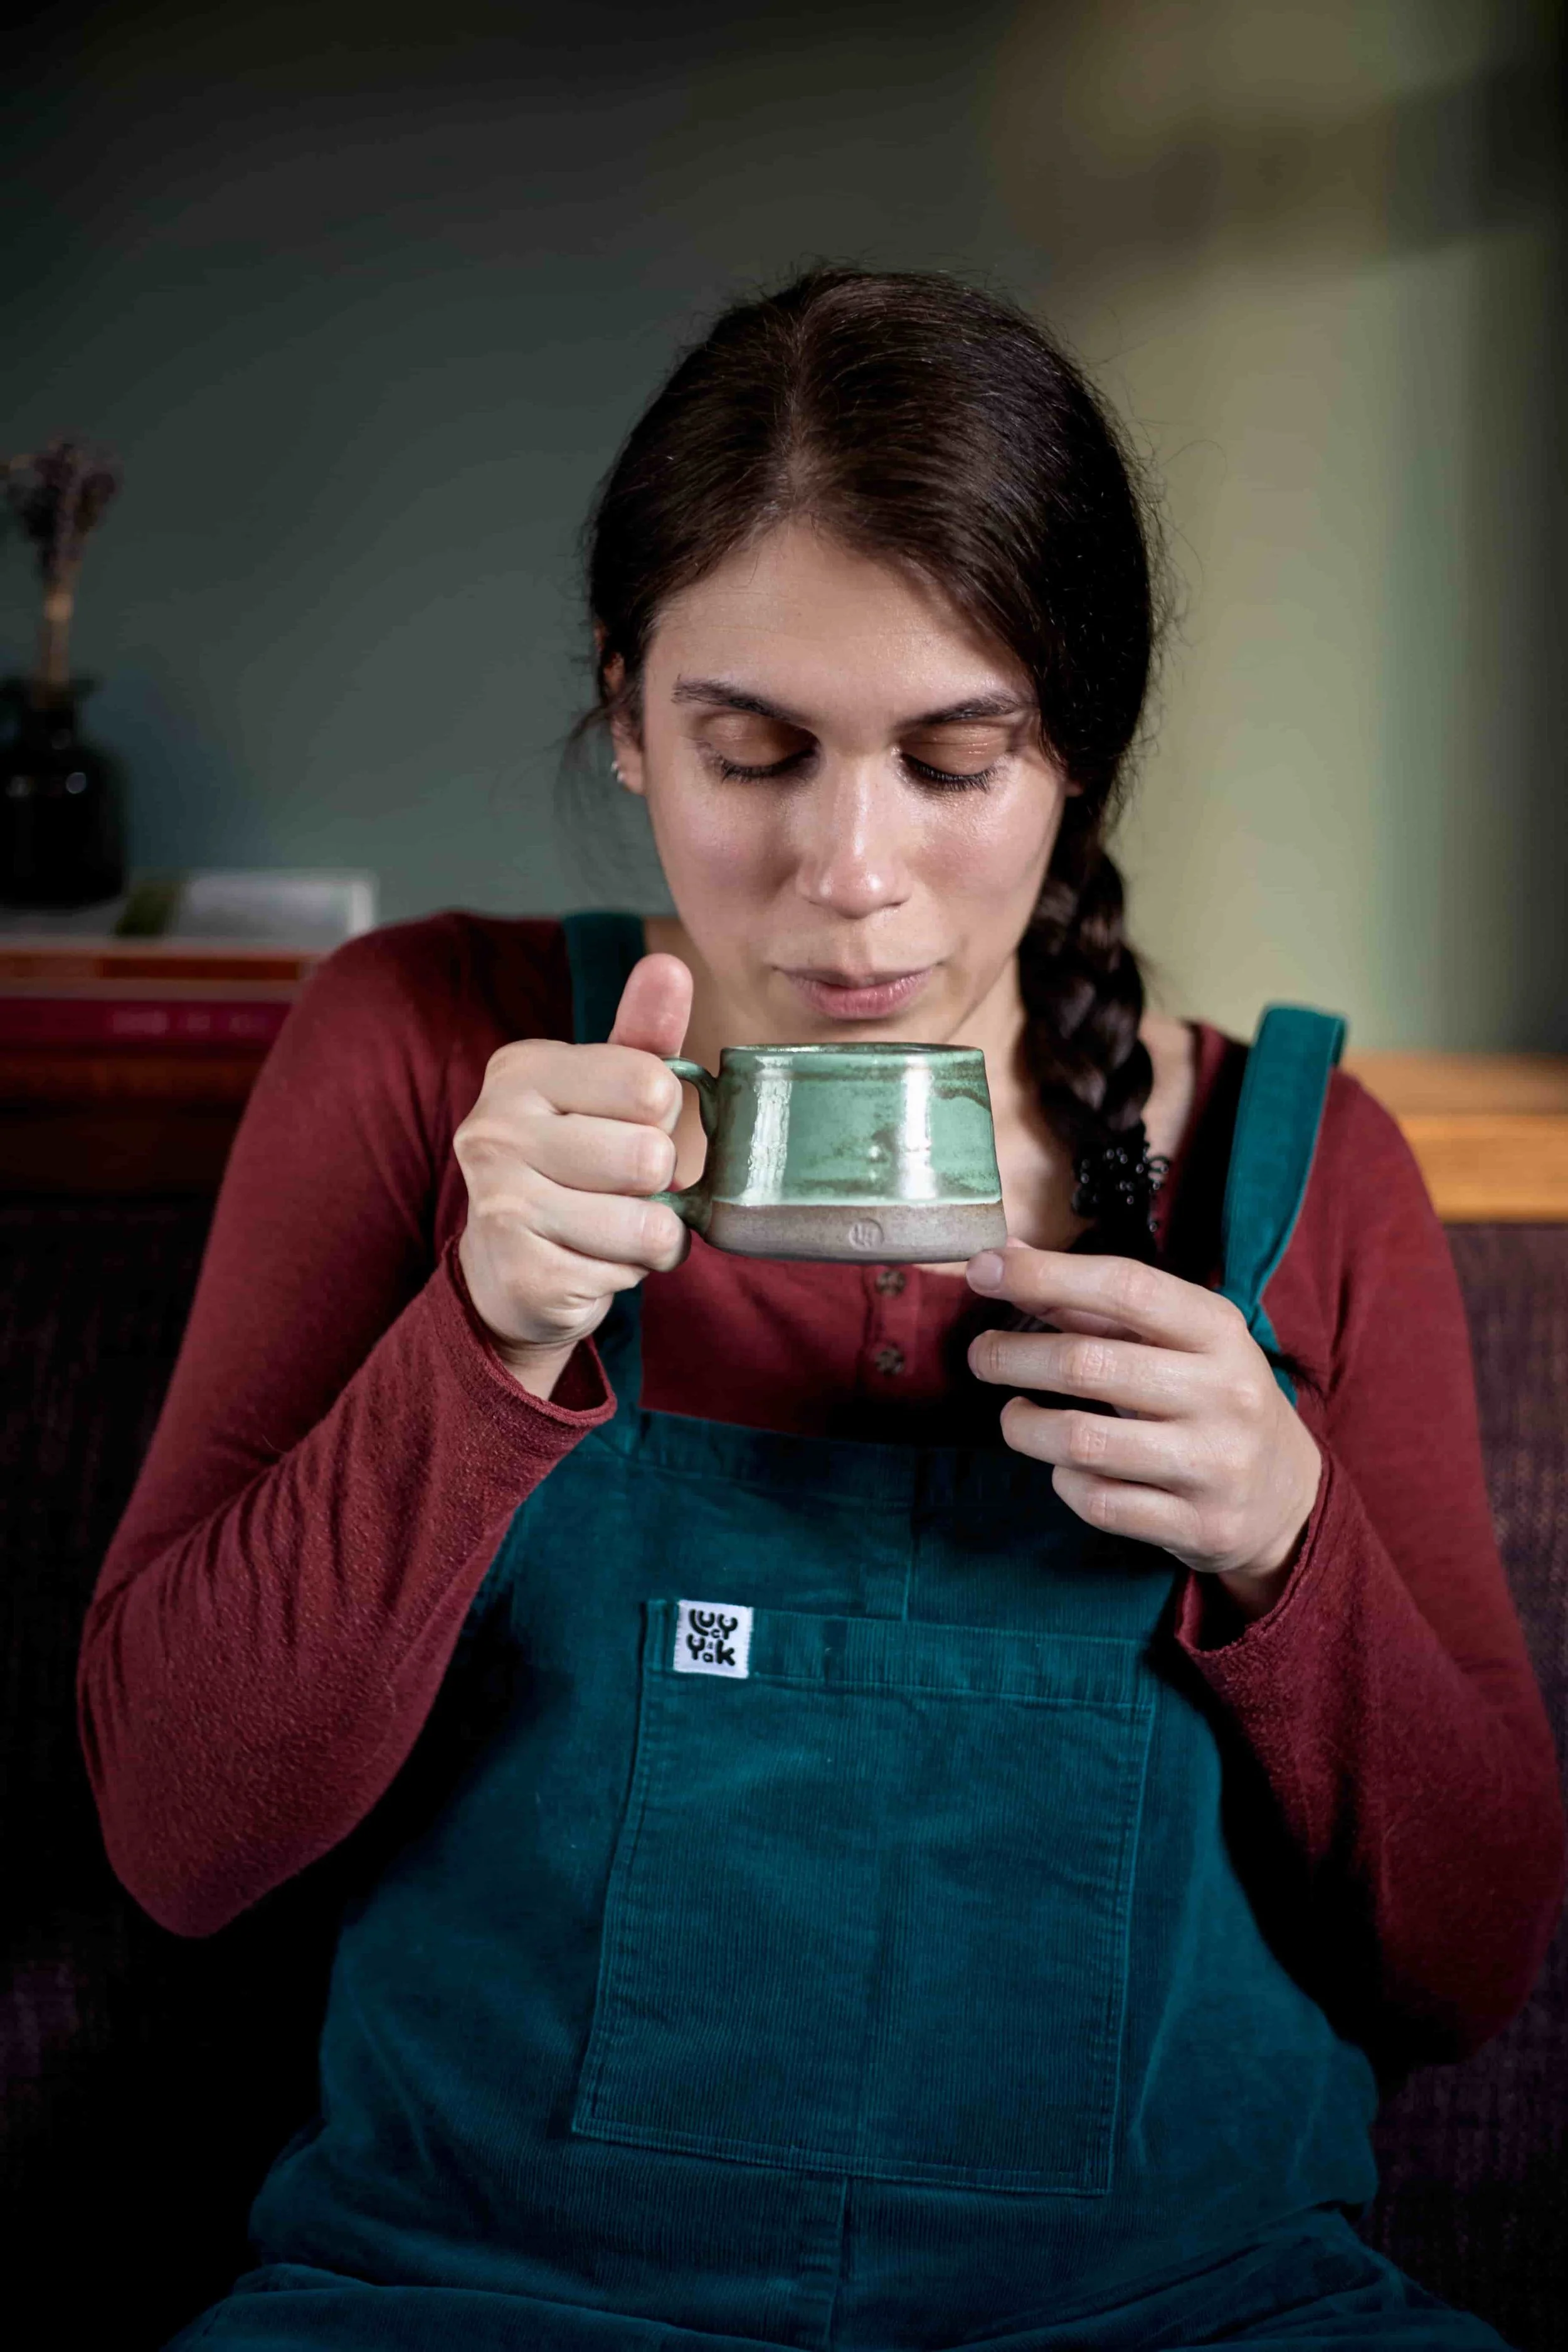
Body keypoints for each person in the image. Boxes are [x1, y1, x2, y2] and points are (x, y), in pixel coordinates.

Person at [81, 268, 1563, 2351]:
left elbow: (1475, 1953)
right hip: (477, 2306)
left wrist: (1283, 1544)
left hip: (1189, 2318)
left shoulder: (1305, 1176)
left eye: (955, 762)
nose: (848, 874)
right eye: (751, 750)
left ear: (1078, 753)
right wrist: (478, 1356)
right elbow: (178, 1836)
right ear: (623, 705)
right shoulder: (424, 1051)